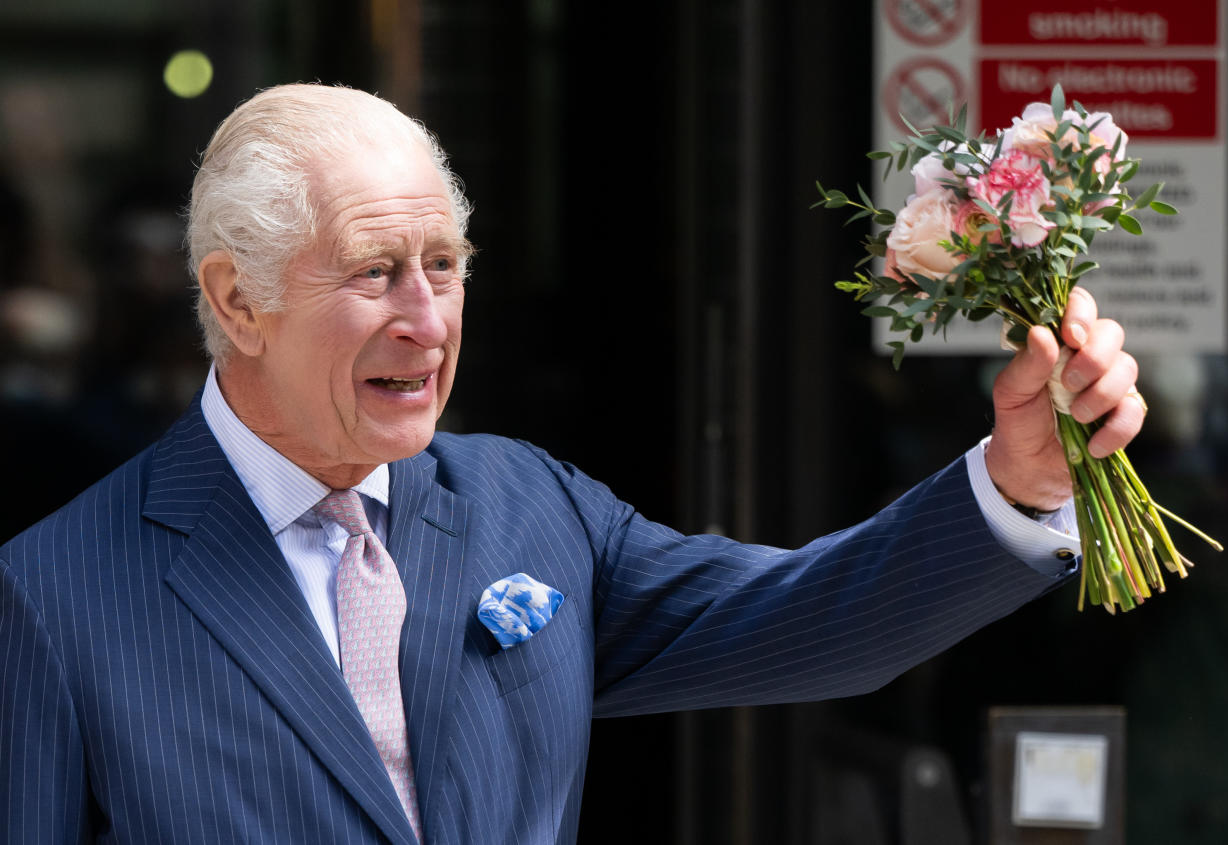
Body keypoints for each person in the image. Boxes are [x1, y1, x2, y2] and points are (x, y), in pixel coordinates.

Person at [0, 84, 1144, 844]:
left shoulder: (524, 505)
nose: (426, 318)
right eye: (371, 271)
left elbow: (813, 617)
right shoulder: (56, 594)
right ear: (234, 300)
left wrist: (1017, 480)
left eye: (443, 264)